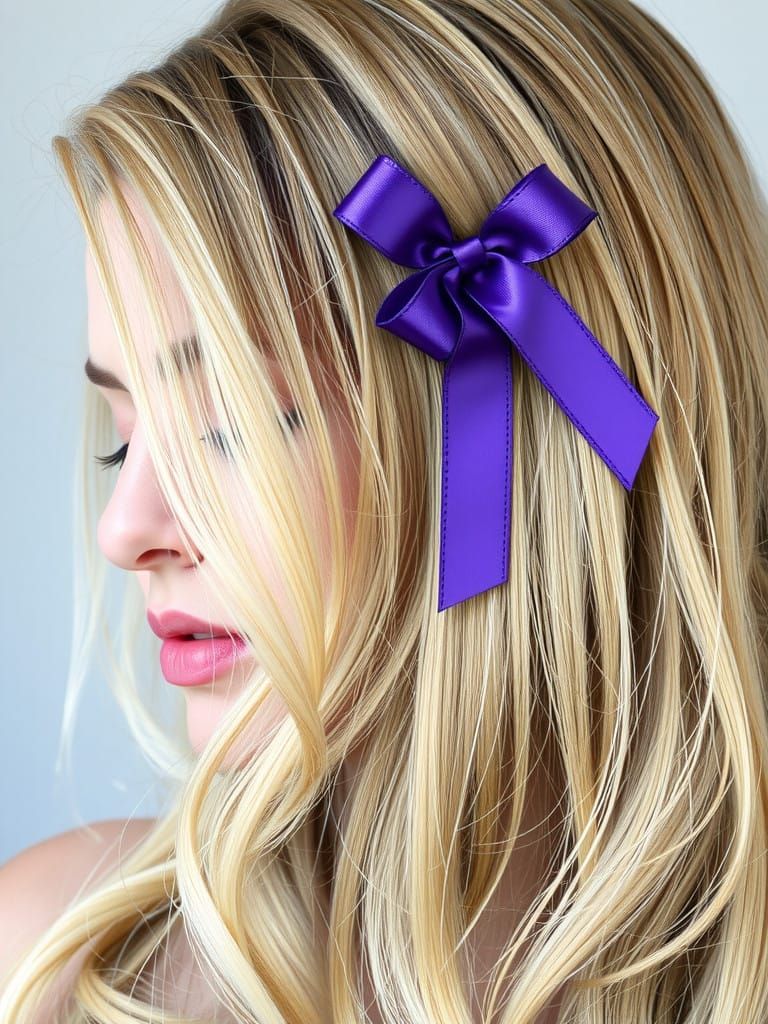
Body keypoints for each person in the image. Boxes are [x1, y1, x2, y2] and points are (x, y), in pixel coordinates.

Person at [1, 0, 767, 1021]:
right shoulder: (54, 963)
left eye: (226, 420)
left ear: (521, 449)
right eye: (121, 431)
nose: (124, 529)